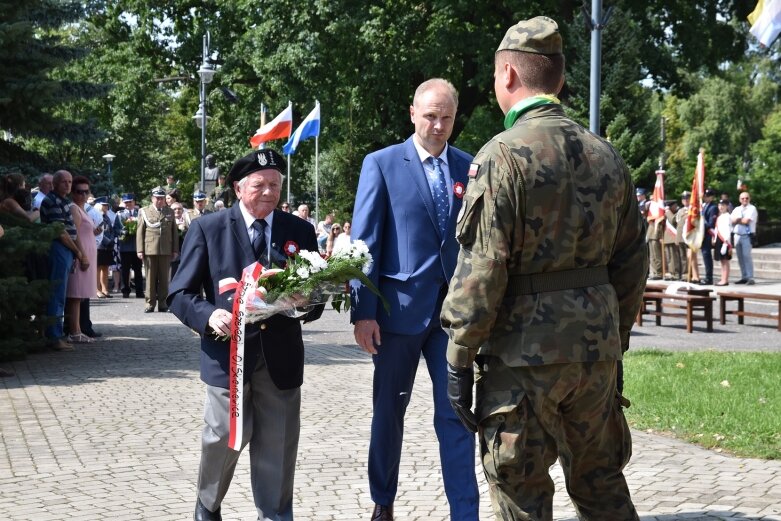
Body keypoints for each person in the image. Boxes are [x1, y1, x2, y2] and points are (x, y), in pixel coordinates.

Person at [440, 17, 647, 521]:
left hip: (521, 358)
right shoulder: (606, 155)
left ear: (508, 75)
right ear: (557, 78)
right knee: (602, 486)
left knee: (521, 492)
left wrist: (459, 354)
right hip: (594, 356)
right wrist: (612, 334)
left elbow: (482, 271)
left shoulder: (503, 156)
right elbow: (633, 260)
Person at [168, 148, 323, 521]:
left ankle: (274, 513)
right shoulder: (208, 228)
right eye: (259, 185)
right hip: (228, 356)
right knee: (221, 437)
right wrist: (209, 315)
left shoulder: (299, 231)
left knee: (278, 444)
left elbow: (317, 298)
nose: (269, 192)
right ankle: (208, 505)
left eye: (275, 185)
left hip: (281, 358)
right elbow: (179, 294)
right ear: (238, 188)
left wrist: (304, 302)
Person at [350, 78, 479, 521]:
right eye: (430, 116)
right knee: (389, 415)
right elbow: (363, 242)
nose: (438, 125)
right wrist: (363, 312)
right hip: (395, 316)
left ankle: (466, 512)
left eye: (446, 117)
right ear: (412, 113)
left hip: (454, 319)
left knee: (457, 415)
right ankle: (382, 502)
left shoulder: (470, 166)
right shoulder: (382, 164)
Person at [39, 170, 85, 351]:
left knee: (60, 294)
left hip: (66, 251)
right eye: (64, 181)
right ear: (55, 183)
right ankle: (54, 336)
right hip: (58, 249)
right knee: (57, 294)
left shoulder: (64, 201)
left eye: (70, 181)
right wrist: (77, 252)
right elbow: (60, 232)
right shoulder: (51, 201)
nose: (67, 184)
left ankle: (56, 334)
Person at [65, 176, 99, 344]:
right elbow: (75, 233)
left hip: (88, 255)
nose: (83, 195)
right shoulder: (73, 208)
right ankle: (74, 331)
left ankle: (77, 329)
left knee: (80, 296)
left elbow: (87, 232)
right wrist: (82, 255)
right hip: (81, 256)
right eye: (79, 192)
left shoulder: (83, 209)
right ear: (73, 193)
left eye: (86, 192)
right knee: (75, 295)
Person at [136, 186, 179, 312]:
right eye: (157, 198)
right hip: (150, 249)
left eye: (161, 198)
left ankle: (163, 304)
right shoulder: (145, 211)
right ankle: (149, 303)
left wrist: (175, 249)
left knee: (164, 278)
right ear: (152, 198)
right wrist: (140, 249)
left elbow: (174, 232)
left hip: (166, 249)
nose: (159, 201)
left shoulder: (169, 211)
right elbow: (140, 232)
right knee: (150, 278)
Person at [118, 194, 144, 298]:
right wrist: (124, 231)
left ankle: (139, 291)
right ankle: (125, 290)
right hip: (125, 246)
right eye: (126, 202)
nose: (128, 204)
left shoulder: (140, 213)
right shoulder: (119, 214)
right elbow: (116, 229)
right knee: (125, 270)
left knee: (138, 270)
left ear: (134, 202)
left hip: (137, 246)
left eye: (130, 202)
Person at [731, 191, 758, 285]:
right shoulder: (737, 209)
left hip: (747, 235)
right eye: (742, 198)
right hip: (737, 235)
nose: (745, 200)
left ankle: (750, 277)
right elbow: (731, 220)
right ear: (739, 199)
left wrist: (737, 220)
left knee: (747, 256)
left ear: (749, 199)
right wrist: (738, 220)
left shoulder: (752, 208)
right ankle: (744, 276)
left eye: (746, 198)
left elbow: (746, 221)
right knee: (740, 257)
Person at [699, 188, 718, 285]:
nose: (705, 198)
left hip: (708, 234)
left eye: (707, 196)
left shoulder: (713, 207)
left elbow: (711, 223)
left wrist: (700, 223)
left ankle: (709, 277)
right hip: (702, 234)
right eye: (705, 196)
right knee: (704, 255)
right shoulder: (703, 206)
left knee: (707, 255)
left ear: (712, 197)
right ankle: (707, 276)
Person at [714, 199, 733, 286]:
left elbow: (728, 230)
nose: (721, 207)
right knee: (722, 261)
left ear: (727, 207)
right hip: (719, 239)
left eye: (723, 205)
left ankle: (725, 279)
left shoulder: (728, 216)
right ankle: (723, 278)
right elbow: (717, 229)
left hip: (724, 240)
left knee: (725, 261)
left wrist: (726, 242)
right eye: (719, 205)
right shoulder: (720, 216)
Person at [675, 192, 691, 281]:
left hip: (688, 236)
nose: (685, 201)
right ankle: (683, 274)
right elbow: (678, 223)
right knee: (681, 256)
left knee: (687, 256)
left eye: (687, 199)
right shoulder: (680, 210)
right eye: (684, 199)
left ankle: (688, 274)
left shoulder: (692, 209)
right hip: (680, 236)